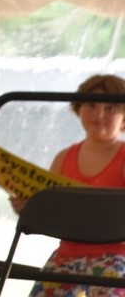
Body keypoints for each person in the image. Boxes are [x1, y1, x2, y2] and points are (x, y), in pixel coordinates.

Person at [12, 73, 125, 297]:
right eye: (91, 105)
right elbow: (51, 215)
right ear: (78, 107)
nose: (99, 114)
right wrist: (28, 209)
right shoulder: (63, 158)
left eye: (110, 108)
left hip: (116, 254)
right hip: (66, 254)